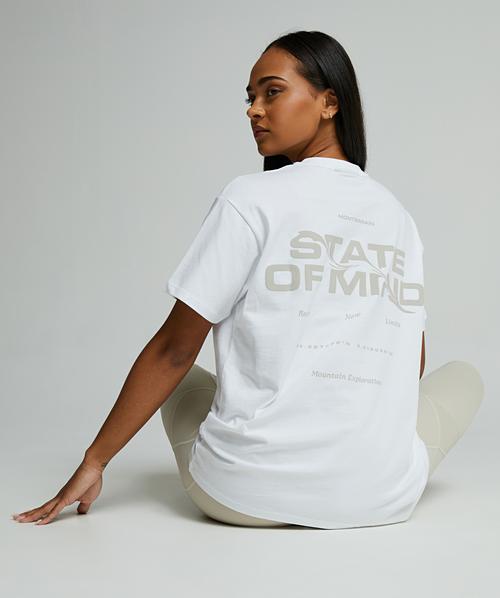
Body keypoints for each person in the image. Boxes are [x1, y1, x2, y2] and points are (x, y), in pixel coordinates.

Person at [12, 30, 484, 528]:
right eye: (250, 97)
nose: (254, 110)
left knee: (180, 372)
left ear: (329, 103)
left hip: (241, 498)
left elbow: (174, 351)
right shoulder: (397, 217)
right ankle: (355, 465)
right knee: (463, 378)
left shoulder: (249, 198)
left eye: (272, 92)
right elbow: (410, 363)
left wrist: (95, 461)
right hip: (379, 499)